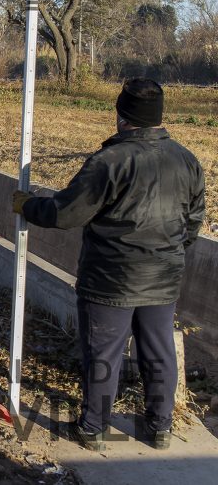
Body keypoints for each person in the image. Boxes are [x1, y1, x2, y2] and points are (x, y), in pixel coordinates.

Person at [12, 78, 204, 452]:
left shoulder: (108, 162)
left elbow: (67, 213)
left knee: (103, 353)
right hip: (163, 279)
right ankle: (160, 427)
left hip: (109, 280)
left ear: (122, 116)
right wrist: (168, 254)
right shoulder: (187, 160)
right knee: (158, 350)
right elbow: (193, 221)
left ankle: (94, 427)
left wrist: (28, 205)